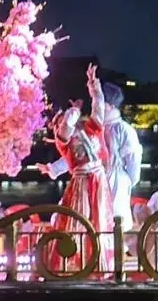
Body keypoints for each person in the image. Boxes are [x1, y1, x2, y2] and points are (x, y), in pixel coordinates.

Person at [40, 64, 142, 229]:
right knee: (88, 221)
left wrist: (128, 180)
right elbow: (78, 154)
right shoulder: (91, 128)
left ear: (111, 106)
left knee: (113, 222)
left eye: (104, 103)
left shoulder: (123, 129)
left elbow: (133, 159)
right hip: (89, 180)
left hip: (114, 179)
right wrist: (54, 168)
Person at [46, 101, 114, 272]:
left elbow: (98, 110)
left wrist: (95, 90)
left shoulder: (90, 128)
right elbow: (67, 125)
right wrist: (75, 109)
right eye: (59, 121)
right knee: (78, 220)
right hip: (81, 183)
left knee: (99, 220)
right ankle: (75, 263)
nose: (63, 122)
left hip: (98, 180)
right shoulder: (63, 139)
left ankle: (100, 264)